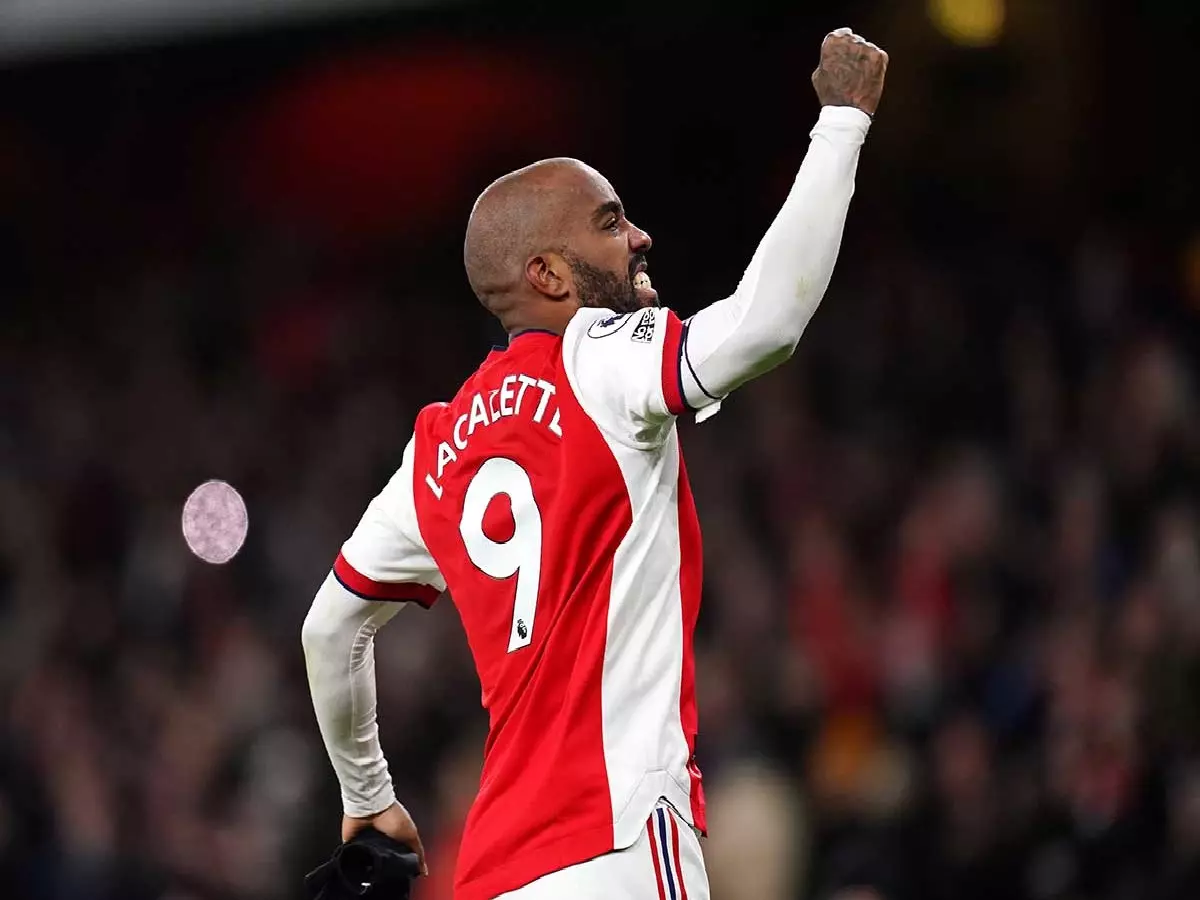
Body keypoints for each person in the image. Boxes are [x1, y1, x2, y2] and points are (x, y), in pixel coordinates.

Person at [302, 26, 888, 900]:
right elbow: (765, 324)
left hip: (495, 872)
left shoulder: (436, 448)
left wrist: (368, 796)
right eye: (611, 223)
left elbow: (329, 626)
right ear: (547, 273)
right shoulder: (597, 354)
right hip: (618, 840)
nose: (640, 237)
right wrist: (840, 123)